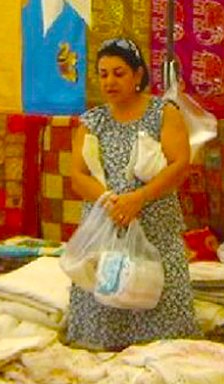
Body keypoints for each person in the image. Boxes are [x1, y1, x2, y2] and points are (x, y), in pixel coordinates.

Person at [66, 37, 199, 350]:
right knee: (104, 320)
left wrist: (139, 198)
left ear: (138, 75)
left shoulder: (163, 113)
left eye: (119, 73)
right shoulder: (92, 121)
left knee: (161, 334)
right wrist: (109, 201)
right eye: (103, 73)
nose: (109, 81)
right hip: (106, 228)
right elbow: (77, 175)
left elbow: (180, 164)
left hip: (154, 230)